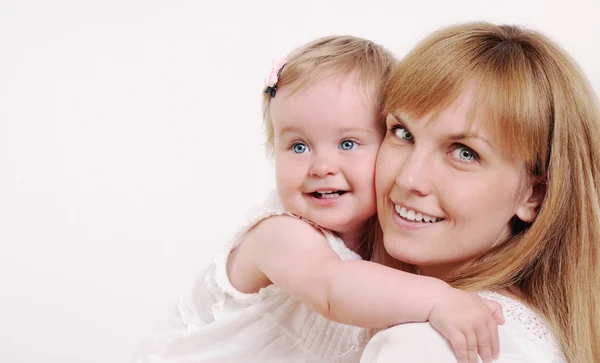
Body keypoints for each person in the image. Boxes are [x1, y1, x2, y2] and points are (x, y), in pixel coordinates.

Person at [132, 35, 504, 363]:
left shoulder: (390, 238)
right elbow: (332, 287)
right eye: (298, 146)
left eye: (347, 143)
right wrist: (439, 299)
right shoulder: (278, 234)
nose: (322, 166)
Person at [361, 22, 600, 363]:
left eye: (464, 152)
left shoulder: (429, 345)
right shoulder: (538, 334)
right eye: (403, 133)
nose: (409, 178)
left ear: (534, 195)